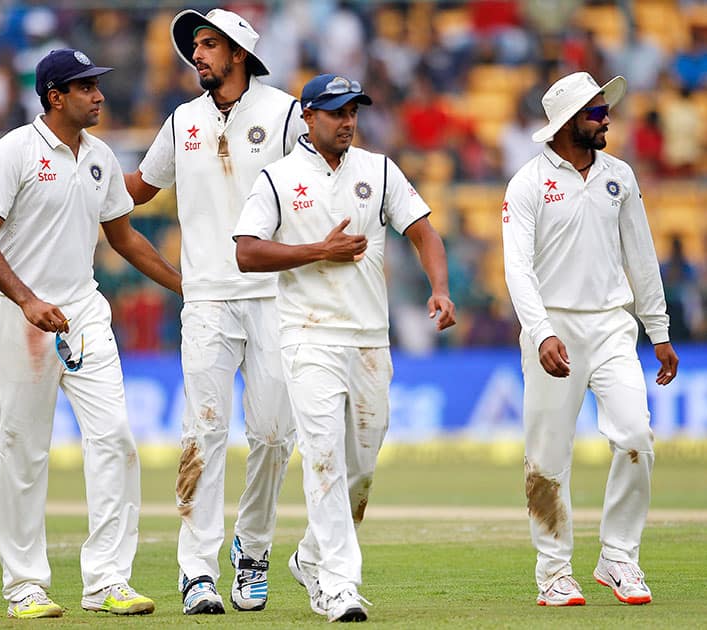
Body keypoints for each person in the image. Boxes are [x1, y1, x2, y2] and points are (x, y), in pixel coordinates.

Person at [0, 48, 181, 619]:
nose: (100, 95)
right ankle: (25, 586)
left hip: (82, 310)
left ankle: (107, 580)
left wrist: (188, 287)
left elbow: (126, 239)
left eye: (98, 85)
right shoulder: (13, 151)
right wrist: (27, 299)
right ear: (55, 96)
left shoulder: (101, 157)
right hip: (18, 313)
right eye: (87, 87)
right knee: (22, 450)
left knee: (114, 436)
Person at [234, 73, 456, 622]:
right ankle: (338, 584)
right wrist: (317, 250)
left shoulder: (378, 170)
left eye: (353, 110)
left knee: (361, 465)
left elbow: (424, 231)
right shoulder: (278, 178)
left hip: (368, 340)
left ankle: (309, 557)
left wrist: (441, 290)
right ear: (307, 117)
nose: (348, 121)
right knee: (325, 459)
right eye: (336, 112)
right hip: (308, 336)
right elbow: (246, 253)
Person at [123, 8, 303, 615]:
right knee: (201, 433)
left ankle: (250, 553)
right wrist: (74, 180)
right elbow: (137, 190)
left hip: (275, 297)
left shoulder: (283, 113)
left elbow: (311, 187)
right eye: (195, 45)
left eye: (209, 44)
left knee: (276, 435)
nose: (197, 54)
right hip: (206, 301)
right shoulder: (182, 121)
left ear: (240, 53)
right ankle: (196, 572)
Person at [501, 71, 679, 607]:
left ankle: (618, 557)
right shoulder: (528, 182)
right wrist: (542, 331)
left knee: (635, 436)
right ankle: (554, 572)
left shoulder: (619, 175)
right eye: (597, 110)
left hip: (611, 325)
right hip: (552, 327)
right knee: (547, 458)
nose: (607, 117)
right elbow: (517, 268)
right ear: (567, 121)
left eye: (605, 108)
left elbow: (641, 258)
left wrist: (660, 331)